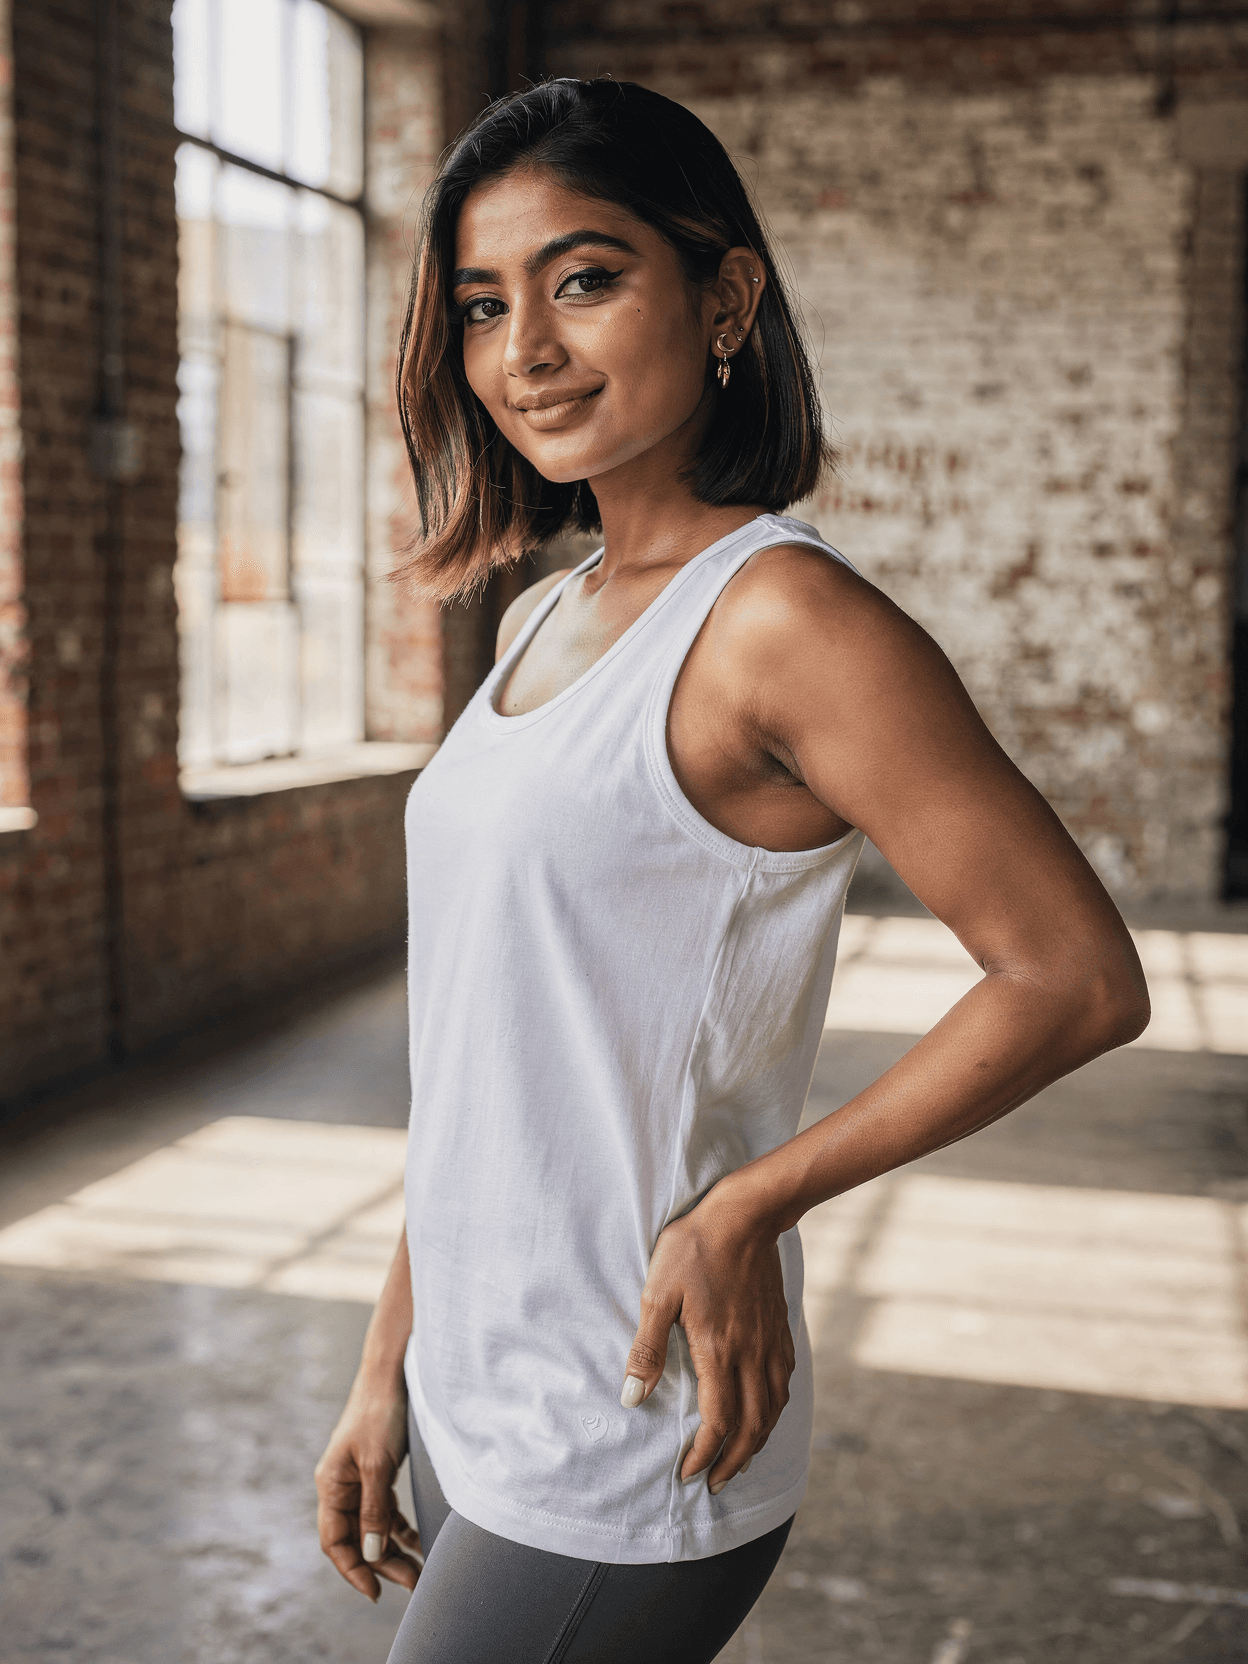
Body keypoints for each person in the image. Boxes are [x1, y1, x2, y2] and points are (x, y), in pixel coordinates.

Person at [314, 78, 1149, 1664]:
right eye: (485, 305)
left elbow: (1078, 977)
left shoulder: (785, 623)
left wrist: (754, 1205)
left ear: (726, 297)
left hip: (631, 1420)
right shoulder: (535, 619)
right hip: (480, 1385)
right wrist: (386, 1368)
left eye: (587, 277)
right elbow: (488, 1058)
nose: (528, 350)